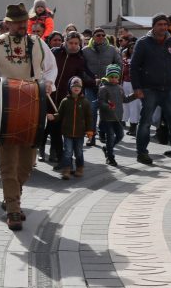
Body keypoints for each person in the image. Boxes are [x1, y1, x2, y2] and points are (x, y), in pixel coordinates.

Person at [0, 3, 57, 231]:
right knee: (8, 163)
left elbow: (50, 67)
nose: (21, 26)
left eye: (23, 22)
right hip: (4, 109)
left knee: (26, 166)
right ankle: (13, 209)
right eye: (16, 22)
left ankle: (12, 195)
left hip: (33, 109)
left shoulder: (38, 43)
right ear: (7, 23)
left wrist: (48, 82)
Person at [130, 14, 171, 165]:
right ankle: (142, 153)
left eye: (165, 24)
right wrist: (137, 87)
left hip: (168, 89)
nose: (163, 27)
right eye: (160, 24)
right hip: (149, 89)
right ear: (153, 26)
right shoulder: (143, 43)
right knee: (145, 122)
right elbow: (134, 66)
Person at [45, 31, 88, 166]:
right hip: (49, 94)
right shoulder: (55, 52)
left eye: (76, 43)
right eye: (71, 43)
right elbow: (45, 68)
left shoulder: (80, 59)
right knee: (50, 129)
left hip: (65, 99)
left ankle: (62, 158)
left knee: (59, 128)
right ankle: (53, 154)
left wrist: (80, 94)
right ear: (65, 42)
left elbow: (80, 79)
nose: (74, 46)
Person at [49, 76, 92, 179]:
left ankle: (79, 168)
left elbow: (89, 118)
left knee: (79, 152)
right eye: (74, 86)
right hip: (67, 132)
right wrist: (53, 117)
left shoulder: (85, 102)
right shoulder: (65, 101)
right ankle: (66, 170)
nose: (76, 88)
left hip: (80, 133)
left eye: (79, 86)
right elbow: (59, 114)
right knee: (67, 152)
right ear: (70, 87)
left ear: (82, 88)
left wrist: (90, 131)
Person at [81, 28, 119, 147]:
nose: (101, 37)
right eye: (98, 35)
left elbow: (119, 64)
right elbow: (82, 67)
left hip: (107, 86)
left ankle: (103, 133)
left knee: (107, 110)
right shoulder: (85, 50)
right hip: (91, 85)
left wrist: (114, 78)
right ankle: (91, 136)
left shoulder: (112, 50)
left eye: (103, 35)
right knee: (91, 110)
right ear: (93, 37)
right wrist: (88, 79)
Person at [97, 64, 135, 166]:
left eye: (116, 77)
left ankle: (107, 149)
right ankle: (110, 157)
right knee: (110, 137)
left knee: (120, 135)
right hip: (107, 118)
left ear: (118, 77)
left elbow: (125, 99)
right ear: (107, 77)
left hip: (118, 117)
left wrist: (134, 95)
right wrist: (108, 105)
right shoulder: (103, 88)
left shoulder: (120, 88)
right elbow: (100, 102)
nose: (114, 79)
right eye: (111, 77)